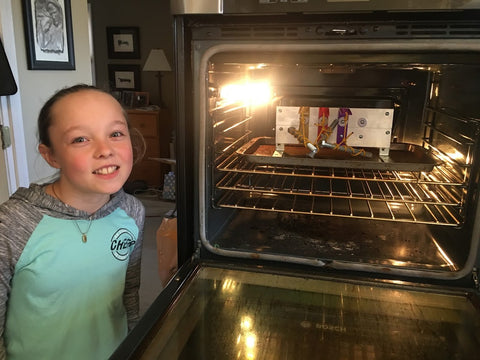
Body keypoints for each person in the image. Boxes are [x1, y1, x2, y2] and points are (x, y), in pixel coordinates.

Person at [0, 84, 146, 359]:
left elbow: (129, 296)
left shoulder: (133, 212)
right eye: (80, 139)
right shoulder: (13, 223)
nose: (105, 150)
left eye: (116, 134)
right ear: (51, 155)